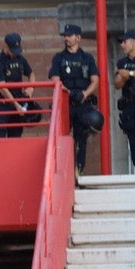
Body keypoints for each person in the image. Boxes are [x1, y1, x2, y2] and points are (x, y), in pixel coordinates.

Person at [49, 24, 103, 173]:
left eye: (69, 35)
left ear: (78, 37)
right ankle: (64, 170)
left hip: (83, 104)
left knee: (81, 139)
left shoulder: (87, 58)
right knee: (63, 138)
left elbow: (95, 80)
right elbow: (55, 80)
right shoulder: (59, 58)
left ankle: (79, 170)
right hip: (66, 104)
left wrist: (84, 94)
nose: (66, 38)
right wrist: (70, 92)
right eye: (65, 35)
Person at [0, 32, 34, 139]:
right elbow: (1, 87)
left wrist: (30, 87)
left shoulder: (20, 59)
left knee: (16, 137)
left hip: (18, 102)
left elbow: (31, 73)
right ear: (6, 46)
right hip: (3, 104)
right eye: (12, 50)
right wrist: (16, 105)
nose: (14, 53)